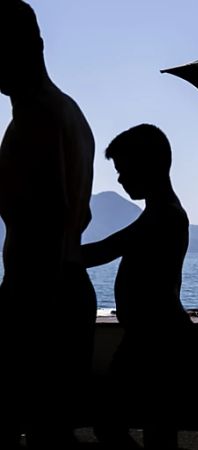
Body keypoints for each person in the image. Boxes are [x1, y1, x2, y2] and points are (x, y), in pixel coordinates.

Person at [0, 1, 96, 447]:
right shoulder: (71, 112)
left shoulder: (37, 117)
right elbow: (79, 214)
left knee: (40, 428)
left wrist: (34, 304)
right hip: (68, 287)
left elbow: (54, 214)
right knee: (53, 429)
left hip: (41, 291)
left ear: (33, 47)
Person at [82, 125, 198, 449]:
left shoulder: (164, 217)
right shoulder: (160, 213)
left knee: (119, 425)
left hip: (159, 341)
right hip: (154, 338)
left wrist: (58, 255)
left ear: (148, 165)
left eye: (123, 169)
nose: (119, 179)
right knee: (147, 430)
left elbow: (106, 249)